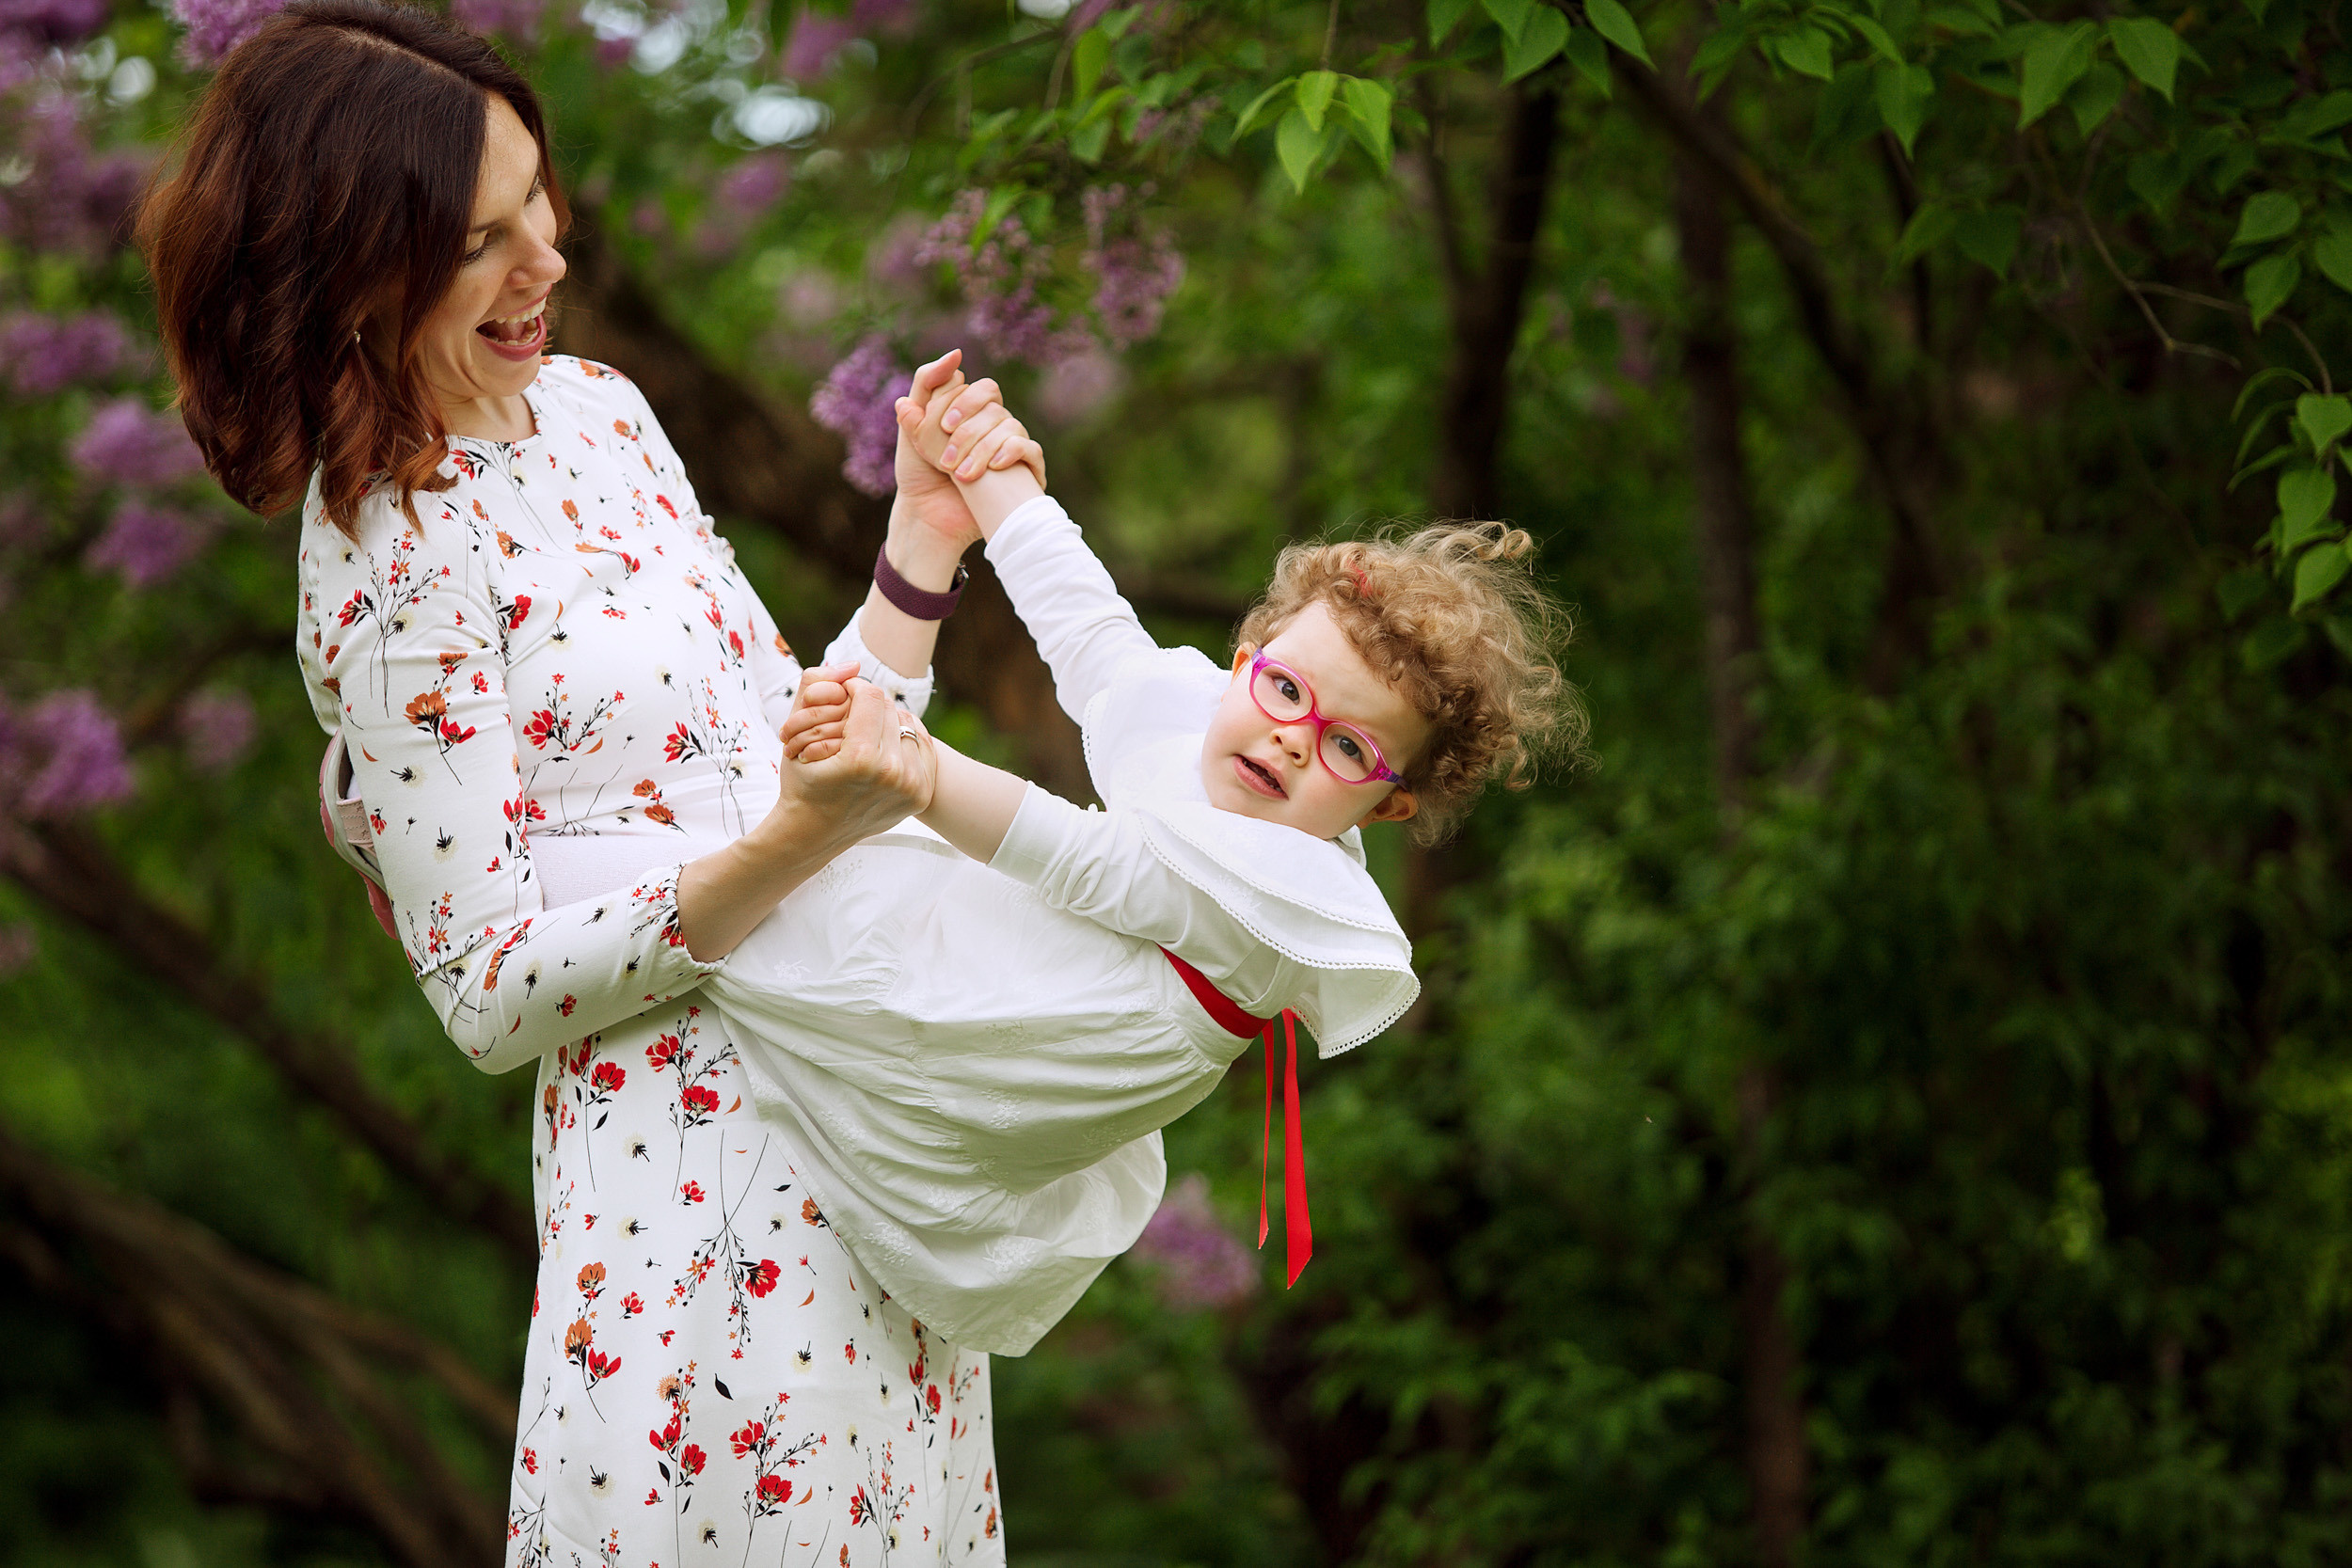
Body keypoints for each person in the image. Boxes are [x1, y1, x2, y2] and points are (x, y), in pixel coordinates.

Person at [136, 3, 1044, 1561]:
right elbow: (490, 988)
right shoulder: (385, 558)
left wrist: (923, 547)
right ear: (354, 264)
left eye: (537, 200)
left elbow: (795, 751)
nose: (545, 259)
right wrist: (783, 848)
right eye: (480, 237)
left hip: (867, 1182)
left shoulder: (602, 414)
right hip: (693, 1240)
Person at [658, 372, 1582, 1355]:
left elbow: (1084, 859)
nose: (1292, 742)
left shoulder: (1275, 896)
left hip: (970, 1053)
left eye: (1349, 749)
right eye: (1285, 691)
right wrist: (990, 471)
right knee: (796, 823)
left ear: (1386, 803)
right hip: (1013, 977)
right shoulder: (1213, 718)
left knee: (797, 917)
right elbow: (1087, 626)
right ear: (1246, 658)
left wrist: (920, 766)